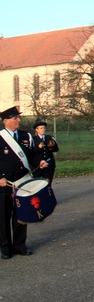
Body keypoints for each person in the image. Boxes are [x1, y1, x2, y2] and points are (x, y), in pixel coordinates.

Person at [0, 106, 41, 258]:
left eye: (18, 117)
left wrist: (40, 161)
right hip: (4, 183)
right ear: (6, 121)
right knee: (3, 217)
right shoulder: (0, 137)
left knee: (21, 215)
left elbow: (31, 155)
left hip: (23, 181)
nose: (19, 120)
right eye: (15, 118)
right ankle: (5, 248)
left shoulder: (25, 136)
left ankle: (20, 245)